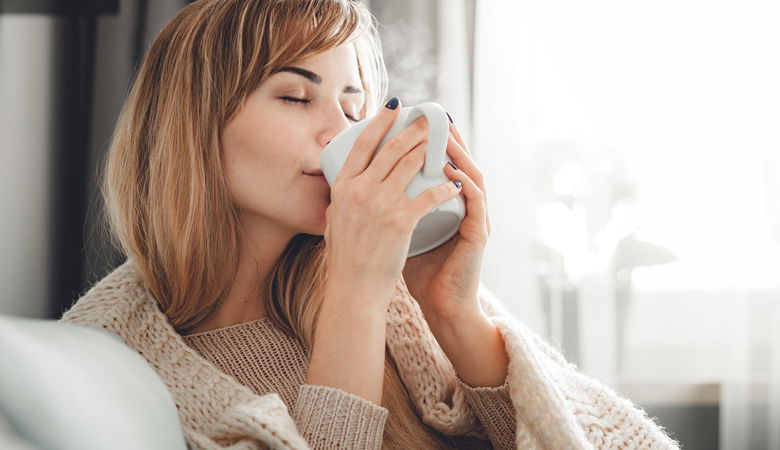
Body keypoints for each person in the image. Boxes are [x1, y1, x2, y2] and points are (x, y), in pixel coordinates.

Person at [60, 0, 682, 449]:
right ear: (193, 129)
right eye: (296, 97)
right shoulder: (114, 359)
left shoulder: (395, 284)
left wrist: (454, 311)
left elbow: (605, 439)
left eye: (355, 103)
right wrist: (357, 290)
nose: (342, 131)